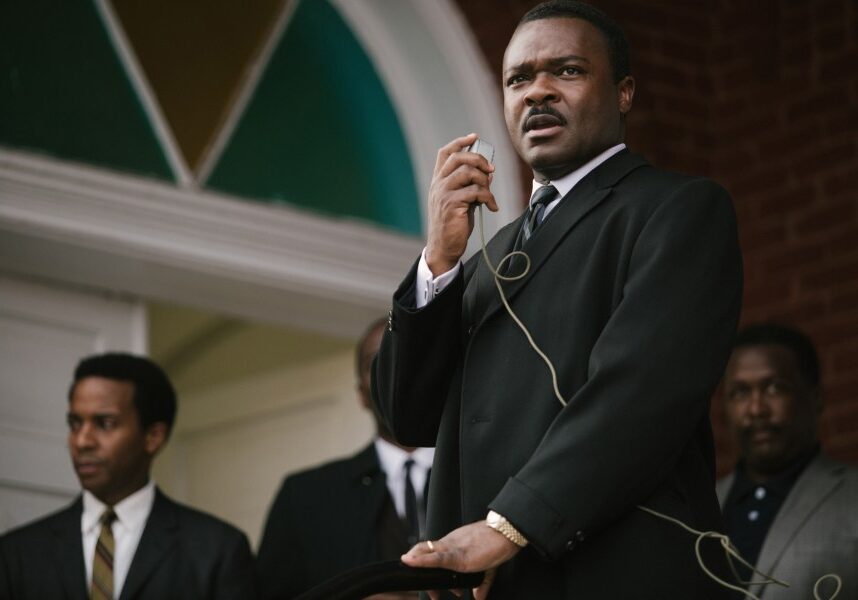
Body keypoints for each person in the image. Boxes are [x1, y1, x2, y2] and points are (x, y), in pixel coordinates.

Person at [371, 1, 743, 598]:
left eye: (566, 71)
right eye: (518, 79)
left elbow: (641, 391)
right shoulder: (486, 256)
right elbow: (404, 415)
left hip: (616, 575)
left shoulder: (677, 210)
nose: (537, 92)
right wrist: (438, 259)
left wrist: (509, 524)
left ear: (623, 93)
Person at [0, 353, 257, 599]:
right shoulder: (17, 553)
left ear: (153, 437)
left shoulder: (216, 550)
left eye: (105, 423)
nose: (82, 441)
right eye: (75, 423)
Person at [257, 317, 435, 599]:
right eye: (374, 362)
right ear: (361, 395)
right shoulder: (304, 497)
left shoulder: (488, 479)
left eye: (404, 356)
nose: (390, 372)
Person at [717, 324, 858, 599]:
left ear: (816, 398)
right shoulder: (698, 506)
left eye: (774, 388)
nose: (756, 409)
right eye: (740, 392)